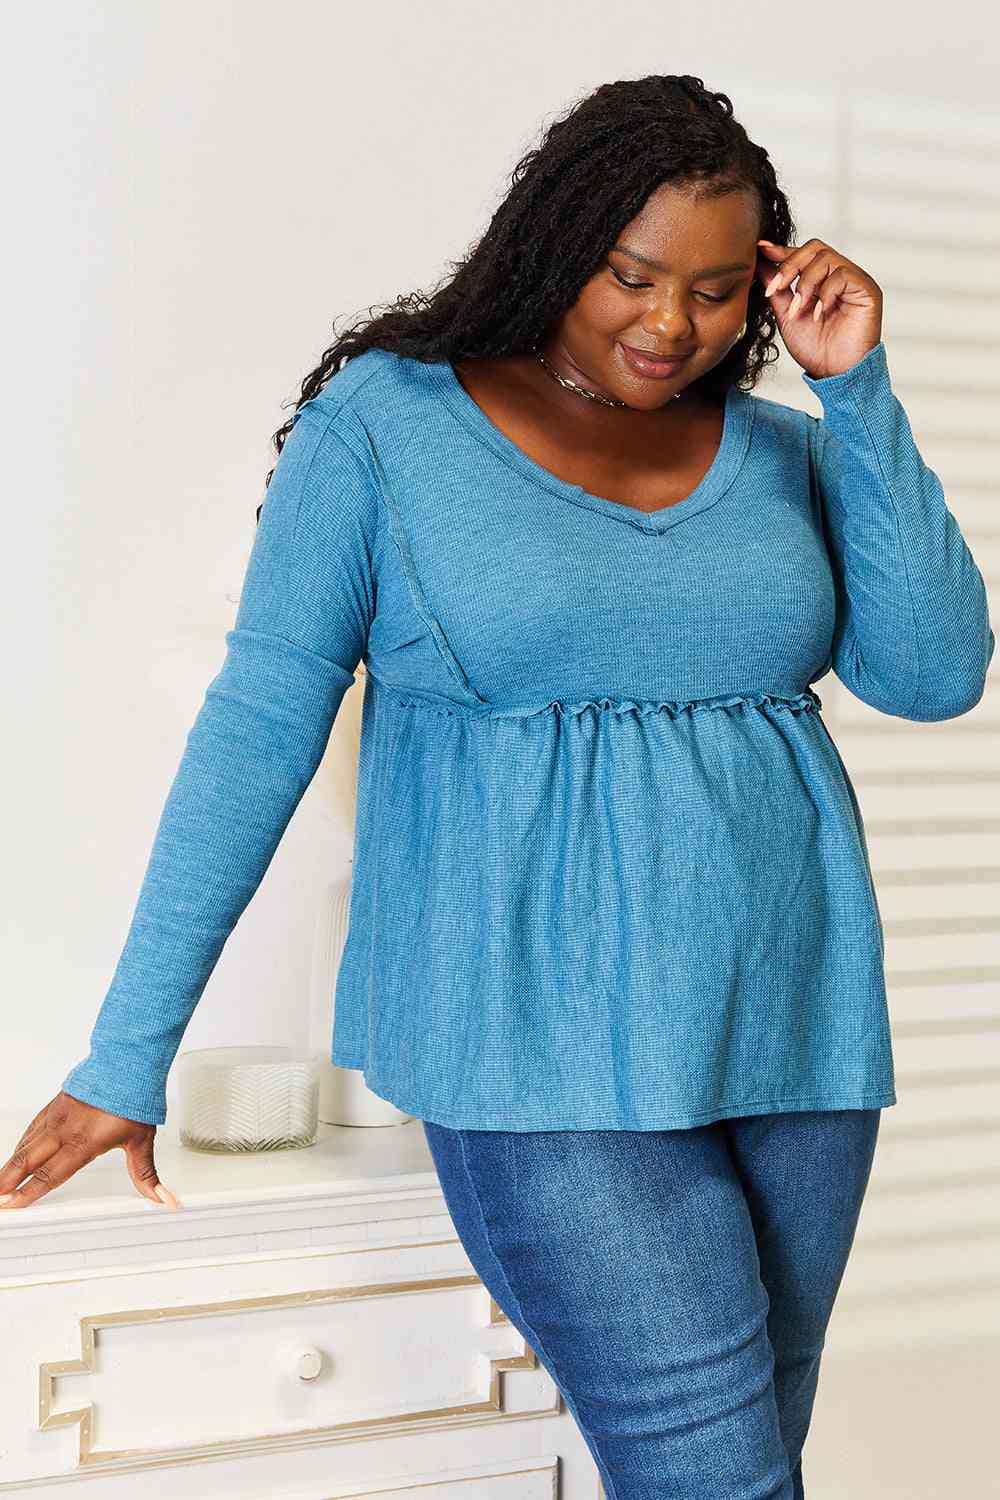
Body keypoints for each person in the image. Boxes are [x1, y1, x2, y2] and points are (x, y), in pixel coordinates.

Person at [1, 72, 993, 1498]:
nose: (669, 324)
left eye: (716, 292)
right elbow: (260, 727)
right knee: (719, 1477)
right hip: (535, 1048)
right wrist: (127, 1052)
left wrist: (859, 391)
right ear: (555, 245)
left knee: (755, 1454)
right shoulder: (388, 429)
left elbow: (935, 672)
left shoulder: (787, 454)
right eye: (631, 275)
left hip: (795, 1031)